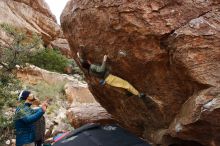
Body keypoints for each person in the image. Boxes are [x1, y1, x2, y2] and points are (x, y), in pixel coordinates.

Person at [77, 51, 145, 98]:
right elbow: (101, 70)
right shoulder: (92, 66)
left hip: (108, 80)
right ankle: (138, 94)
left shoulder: (90, 71)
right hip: (110, 77)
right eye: (87, 61)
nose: (88, 60)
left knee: (121, 86)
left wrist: (78, 56)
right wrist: (104, 60)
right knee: (126, 84)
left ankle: (128, 93)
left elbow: (83, 63)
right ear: (88, 63)